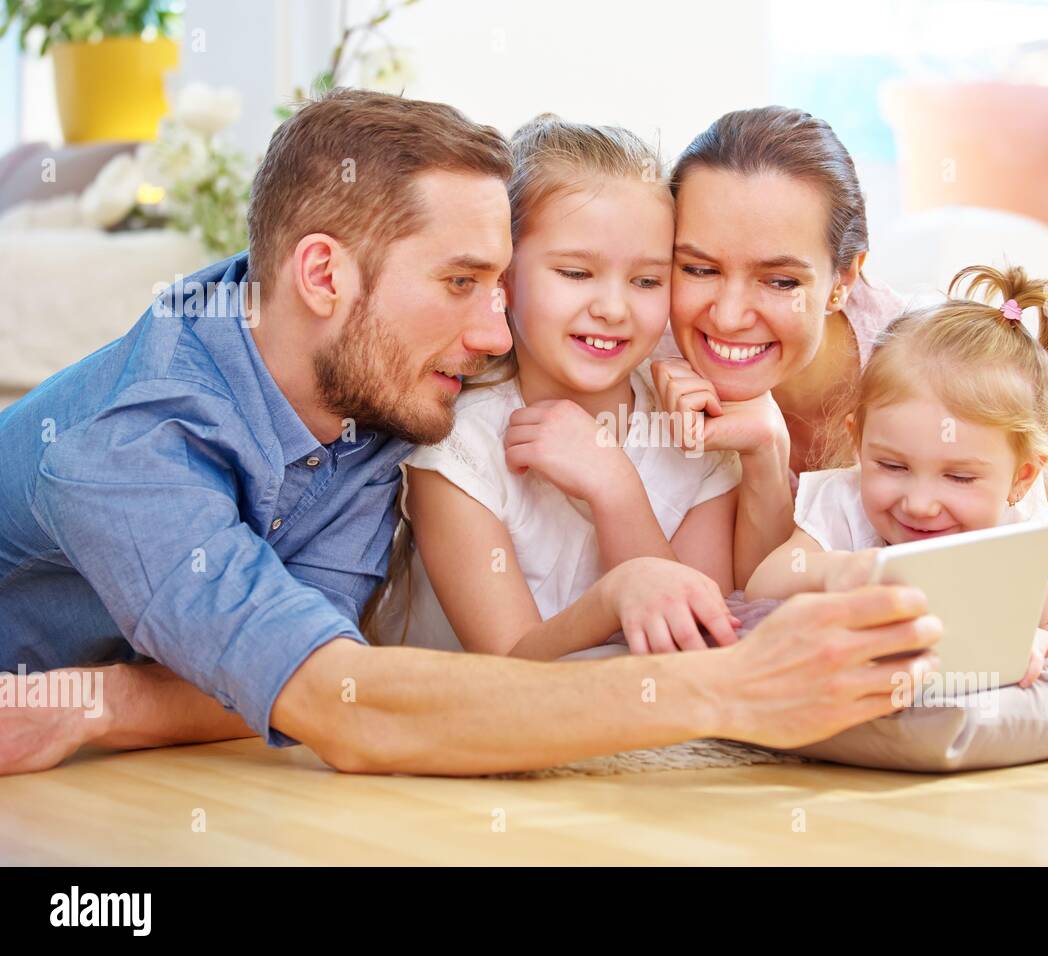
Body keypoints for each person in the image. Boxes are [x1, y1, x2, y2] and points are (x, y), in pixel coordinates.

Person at [0, 90, 941, 777]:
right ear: (322, 276)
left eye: (497, 286)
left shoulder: (365, 391)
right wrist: (736, 689)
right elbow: (344, 707)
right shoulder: (130, 446)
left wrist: (104, 702)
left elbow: (301, 667)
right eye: (461, 285)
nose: (494, 335)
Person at [652, 107, 1048, 720]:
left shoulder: (935, 371)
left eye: (780, 280)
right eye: (699, 268)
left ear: (845, 277)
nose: (731, 314)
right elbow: (719, 619)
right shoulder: (646, 358)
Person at [373, 115, 744, 659]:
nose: (613, 309)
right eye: (575, 273)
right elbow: (510, 675)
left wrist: (615, 489)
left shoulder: (693, 429)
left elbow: (700, 649)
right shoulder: (457, 445)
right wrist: (617, 596)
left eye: (646, 281)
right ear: (504, 278)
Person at [747, 264, 1048, 693]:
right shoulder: (845, 505)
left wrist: (1040, 642)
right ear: (858, 441)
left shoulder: (1028, 534)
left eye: (960, 477)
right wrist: (839, 570)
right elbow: (762, 585)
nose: (919, 504)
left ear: (1021, 478)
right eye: (892, 467)